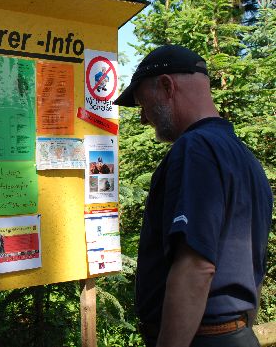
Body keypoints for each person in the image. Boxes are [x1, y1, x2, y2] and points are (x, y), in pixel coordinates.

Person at [114, 45, 272, 347]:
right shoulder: (245, 159)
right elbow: (251, 265)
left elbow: (197, 267)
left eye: (142, 103)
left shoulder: (195, 149)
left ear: (166, 86)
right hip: (237, 336)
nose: (144, 119)